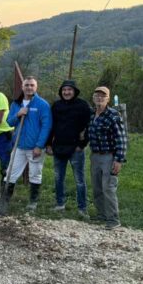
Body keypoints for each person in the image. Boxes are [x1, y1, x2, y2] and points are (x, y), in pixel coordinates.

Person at [3, 76, 52, 212]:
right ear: (22, 87)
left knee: (35, 174)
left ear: (36, 87)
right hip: (19, 145)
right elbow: (9, 122)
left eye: (32, 85)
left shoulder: (42, 104)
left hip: (35, 147)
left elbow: (46, 126)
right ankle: (5, 199)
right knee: (10, 173)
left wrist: (39, 145)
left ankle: (33, 202)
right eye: (27, 85)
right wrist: (18, 114)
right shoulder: (16, 104)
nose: (29, 87)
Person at [47, 80, 92, 219]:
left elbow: (89, 126)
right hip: (58, 147)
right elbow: (51, 126)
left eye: (69, 90)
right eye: (64, 90)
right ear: (61, 92)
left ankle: (82, 208)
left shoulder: (83, 105)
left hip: (75, 149)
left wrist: (82, 144)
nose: (66, 92)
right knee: (58, 177)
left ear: (75, 91)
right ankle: (60, 204)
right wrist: (48, 144)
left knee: (79, 180)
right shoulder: (56, 105)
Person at [87, 86, 128, 230]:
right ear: (93, 98)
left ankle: (113, 220)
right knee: (97, 187)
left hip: (109, 156)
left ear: (108, 99)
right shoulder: (92, 114)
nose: (99, 98)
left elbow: (121, 139)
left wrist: (119, 159)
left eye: (102, 96)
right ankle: (102, 214)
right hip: (95, 156)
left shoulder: (113, 115)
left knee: (108, 187)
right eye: (97, 96)